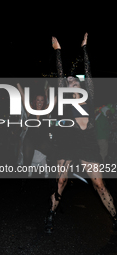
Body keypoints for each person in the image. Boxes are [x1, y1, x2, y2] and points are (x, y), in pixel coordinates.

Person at [45, 33, 117, 233]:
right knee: (61, 180)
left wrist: (85, 49)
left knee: (99, 185)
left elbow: (88, 72)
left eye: (74, 80)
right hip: (67, 141)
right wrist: (57, 51)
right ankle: (50, 216)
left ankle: (115, 217)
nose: (70, 81)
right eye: (68, 81)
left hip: (88, 143)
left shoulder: (89, 97)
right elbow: (60, 74)